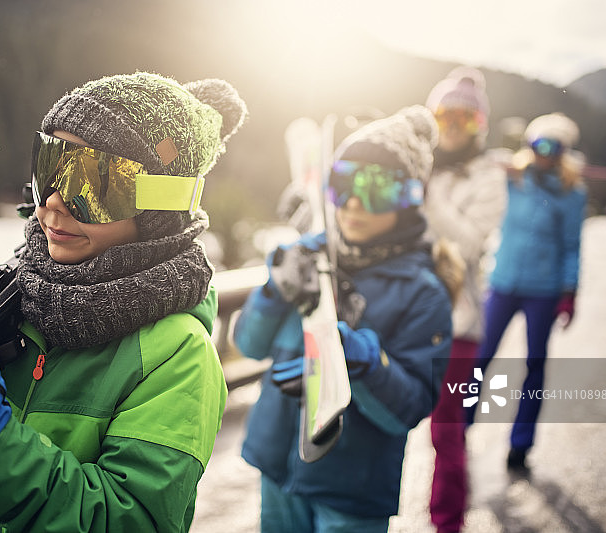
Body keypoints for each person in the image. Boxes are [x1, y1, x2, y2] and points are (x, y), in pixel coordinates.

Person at [0, 71, 247, 532]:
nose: (54, 205)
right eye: (49, 170)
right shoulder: (22, 301)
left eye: (93, 184)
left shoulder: (179, 355)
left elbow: (132, 520)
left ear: (158, 210)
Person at [233, 106, 460, 532]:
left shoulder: (423, 294)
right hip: (279, 465)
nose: (355, 204)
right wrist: (272, 292)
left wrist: (357, 360)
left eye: (378, 189)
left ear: (410, 198)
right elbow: (249, 345)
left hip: (352, 490)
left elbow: (408, 408)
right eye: (345, 183)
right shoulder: (306, 257)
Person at [465, 112, 586, 474]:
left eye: (553, 147)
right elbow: (478, 177)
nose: (544, 153)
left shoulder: (571, 192)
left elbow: (572, 246)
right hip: (503, 282)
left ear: (563, 151)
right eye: (538, 145)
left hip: (544, 289)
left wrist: (570, 290)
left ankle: (521, 443)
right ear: (529, 146)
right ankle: (460, 424)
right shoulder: (512, 179)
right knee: (479, 357)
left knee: (534, 363)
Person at [423, 67, 508, 533]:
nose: (453, 126)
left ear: (480, 124)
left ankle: (447, 523)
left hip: (459, 322)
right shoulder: (419, 165)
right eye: (444, 116)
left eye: (465, 118)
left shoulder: (490, 178)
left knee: (446, 431)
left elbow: (470, 245)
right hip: (403, 313)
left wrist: (427, 197)